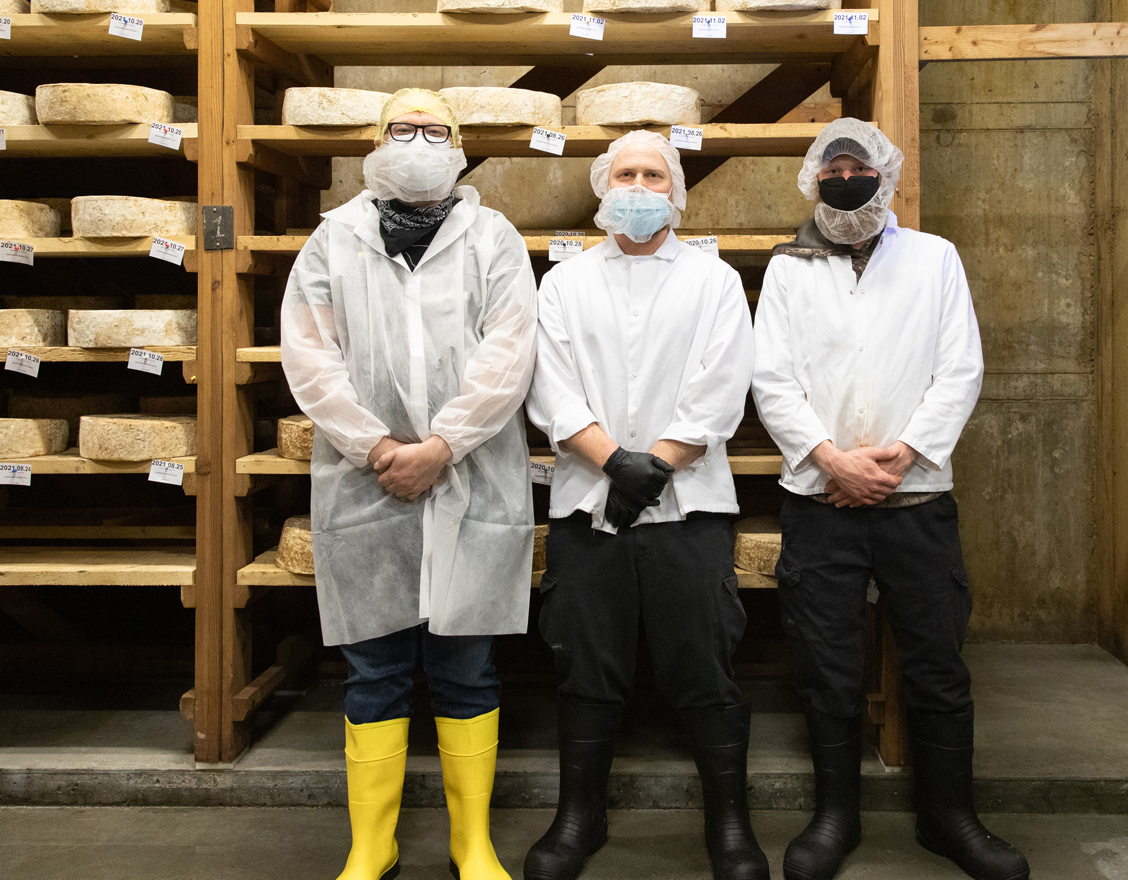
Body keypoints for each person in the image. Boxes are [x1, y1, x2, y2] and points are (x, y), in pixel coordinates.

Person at [751, 118, 1029, 880]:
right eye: (833, 170)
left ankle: (950, 818)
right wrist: (833, 462)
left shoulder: (934, 259)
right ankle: (834, 817)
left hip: (917, 502)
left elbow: (959, 369)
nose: (847, 179)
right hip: (821, 501)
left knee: (937, 664)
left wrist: (899, 458)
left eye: (860, 167)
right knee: (826, 667)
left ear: (888, 176)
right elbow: (771, 378)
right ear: (814, 181)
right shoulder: (789, 269)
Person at [279, 88, 537, 880]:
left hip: (472, 475)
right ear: (377, 141)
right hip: (369, 482)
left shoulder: (493, 237)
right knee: (375, 669)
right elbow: (309, 355)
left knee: (466, 668)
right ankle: (372, 844)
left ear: (459, 145)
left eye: (434, 128)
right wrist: (376, 446)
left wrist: (443, 443)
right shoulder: (335, 238)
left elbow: (510, 348)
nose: (418, 139)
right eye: (403, 127)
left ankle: (473, 843)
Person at [523, 130, 764, 880]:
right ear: (602, 187)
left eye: (652, 174)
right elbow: (549, 387)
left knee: (702, 662)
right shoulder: (565, 282)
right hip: (584, 505)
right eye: (623, 172)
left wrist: (653, 467)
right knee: (585, 663)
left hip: (690, 507)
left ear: (677, 191)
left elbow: (720, 388)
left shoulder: (712, 281)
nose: (636, 184)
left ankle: (730, 825)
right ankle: (578, 819)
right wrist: (614, 463)